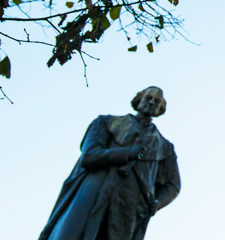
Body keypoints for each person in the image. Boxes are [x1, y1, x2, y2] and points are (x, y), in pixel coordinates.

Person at [39, 86, 181, 240]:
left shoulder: (165, 147)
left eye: (157, 101)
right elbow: (89, 155)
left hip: (129, 208)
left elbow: (173, 185)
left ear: (161, 108)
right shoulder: (106, 122)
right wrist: (126, 153)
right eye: (149, 98)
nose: (152, 102)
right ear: (139, 99)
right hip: (94, 191)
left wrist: (158, 202)